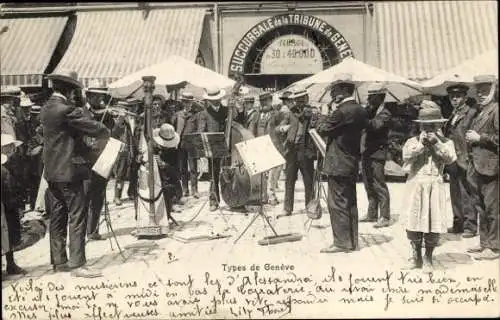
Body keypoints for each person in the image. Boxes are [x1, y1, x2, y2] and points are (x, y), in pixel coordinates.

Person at [41, 70, 110, 278]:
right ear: (70, 92)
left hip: (52, 172)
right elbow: (97, 129)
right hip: (70, 173)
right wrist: (103, 127)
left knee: (57, 217)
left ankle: (59, 261)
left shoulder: (46, 109)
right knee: (77, 217)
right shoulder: (67, 110)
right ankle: (78, 264)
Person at [402, 100, 457, 271]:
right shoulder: (412, 141)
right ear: (420, 127)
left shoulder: (446, 142)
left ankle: (428, 257)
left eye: (432, 126)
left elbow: (450, 158)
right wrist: (421, 145)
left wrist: (436, 143)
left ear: (438, 126)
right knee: (414, 220)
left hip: (434, 184)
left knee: (434, 221)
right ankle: (416, 255)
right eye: (425, 126)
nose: (428, 130)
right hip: (416, 183)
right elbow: (406, 156)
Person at [316, 74, 369, 253]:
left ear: (344, 91)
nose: (332, 93)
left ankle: (341, 242)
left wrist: (325, 112)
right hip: (351, 161)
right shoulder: (361, 110)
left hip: (338, 162)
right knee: (350, 202)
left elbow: (322, 128)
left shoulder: (340, 111)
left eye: (335, 90)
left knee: (337, 203)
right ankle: (352, 241)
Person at [466, 75, 499, 260]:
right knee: (481, 207)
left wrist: (480, 138)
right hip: (477, 166)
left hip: (491, 167)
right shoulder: (480, 111)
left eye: (485, 91)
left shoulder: (496, 110)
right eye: (478, 91)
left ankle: (494, 248)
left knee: (493, 209)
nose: (480, 94)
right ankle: (485, 243)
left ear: (493, 90)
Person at [443, 83, 478, 237]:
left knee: (467, 193)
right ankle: (458, 223)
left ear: (465, 97)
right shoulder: (453, 113)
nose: (455, 99)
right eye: (452, 97)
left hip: (464, 158)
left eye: (458, 96)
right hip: (453, 159)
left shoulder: (471, 113)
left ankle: (470, 226)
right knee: (455, 192)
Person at [277, 88, 318, 217]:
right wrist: (283, 128)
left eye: (302, 99)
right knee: (289, 180)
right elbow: (279, 127)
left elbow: (315, 125)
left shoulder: (312, 113)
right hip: (292, 150)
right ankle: (287, 208)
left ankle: (310, 208)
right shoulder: (290, 113)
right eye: (297, 100)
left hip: (305, 150)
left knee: (308, 181)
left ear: (306, 98)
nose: (299, 102)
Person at [83, 84, 115, 241]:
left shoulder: (106, 114)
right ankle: (80, 232)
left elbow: (111, 133)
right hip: (86, 160)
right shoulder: (82, 112)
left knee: (98, 195)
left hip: (102, 159)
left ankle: (93, 230)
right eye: (96, 96)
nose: (100, 99)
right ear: (88, 96)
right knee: (84, 196)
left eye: (102, 96)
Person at [360, 83, 393, 228]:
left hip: (377, 153)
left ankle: (384, 216)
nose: (369, 99)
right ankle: (372, 213)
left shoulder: (385, 113)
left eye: (372, 97)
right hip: (366, 151)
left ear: (380, 97)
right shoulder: (370, 111)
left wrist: (362, 119)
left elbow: (374, 126)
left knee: (379, 184)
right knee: (368, 183)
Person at [247, 92, 282, 205]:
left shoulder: (277, 114)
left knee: (272, 173)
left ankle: (271, 195)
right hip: (259, 146)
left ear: (271, 100)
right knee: (262, 173)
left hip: (272, 146)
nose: (264, 103)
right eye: (262, 101)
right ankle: (262, 195)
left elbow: (280, 129)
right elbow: (251, 129)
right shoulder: (256, 115)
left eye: (266, 101)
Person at [197, 86, 228, 211]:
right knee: (213, 175)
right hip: (213, 149)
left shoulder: (227, 110)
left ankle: (232, 196)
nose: (216, 101)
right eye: (213, 99)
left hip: (227, 147)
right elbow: (201, 131)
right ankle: (213, 200)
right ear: (209, 100)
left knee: (228, 173)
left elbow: (237, 121)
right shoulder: (205, 113)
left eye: (218, 99)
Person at [1, 134, 27, 275]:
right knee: (6, 235)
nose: (12, 150)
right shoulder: (5, 168)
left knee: (9, 235)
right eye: (9, 147)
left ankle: (11, 264)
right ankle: (10, 265)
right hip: (6, 205)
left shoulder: (10, 165)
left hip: (9, 205)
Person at [111, 98, 142, 205]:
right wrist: (120, 119)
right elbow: (114, 133)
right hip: (123, 149)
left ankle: (132, 192)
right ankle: (117, 195)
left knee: (134, 171)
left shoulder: (138, 119)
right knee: (121, 173)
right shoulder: (119, 119)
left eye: (135, 106)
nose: (133, 108)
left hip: (135, 148)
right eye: (131, 106)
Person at [172, 92, 202, 199]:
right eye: (185, 102)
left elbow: (199, 129)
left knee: (193, 168)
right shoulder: (177, 114)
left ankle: (195, 190)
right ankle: (185, 189)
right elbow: (173, 128)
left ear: (191, 103)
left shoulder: (196, 115)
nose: (187, 104)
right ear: (182, 103)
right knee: (183, 168)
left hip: (192, 145)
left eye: (188, 102)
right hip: (180, 144)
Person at [153, 123, 181, 217]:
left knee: (166, 190)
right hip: (156, 180)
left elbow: (176, 173)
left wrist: (164, 165)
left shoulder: (174, 152)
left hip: (169, 182)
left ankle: (167, 209)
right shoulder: (154, 149)